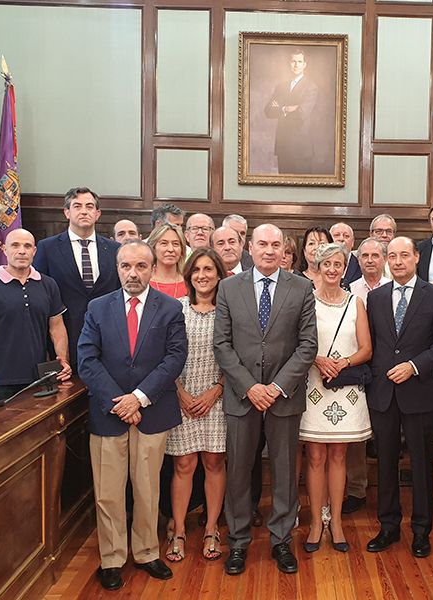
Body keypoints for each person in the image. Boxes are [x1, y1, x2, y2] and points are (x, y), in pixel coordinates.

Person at [78, 240, 188, 591]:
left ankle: (146, 552)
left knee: (147, 489)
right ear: (117, 268)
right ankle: (111, 558)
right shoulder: (97, 308)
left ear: (152, 269)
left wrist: (139, 399)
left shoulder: (170, 308)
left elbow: (174, 359)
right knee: (108, 492)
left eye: (141, 266)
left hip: (151, 413)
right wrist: (120, 402)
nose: (133, 273)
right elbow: (87, 360)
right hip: (109, 413)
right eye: (126, 266)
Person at [213, 224, 317, 576]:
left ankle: (281, 540)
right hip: (242, 397)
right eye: (262, 244)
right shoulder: (228, 287)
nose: (269, 250)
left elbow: (307, 345)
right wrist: (249, 387)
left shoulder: (302, 287)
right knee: (239, 471)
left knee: (286, 472)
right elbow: (222, 345)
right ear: (249, 247)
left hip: (283, 397)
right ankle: (239, 542)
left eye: (276, 245)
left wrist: (276, 387)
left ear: (283, 249)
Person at [366, 237, 433, 559]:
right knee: (385, 463)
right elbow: (373, 344)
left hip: (419, 392)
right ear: (387, 260)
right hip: (384, 393)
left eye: (405, 255)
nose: (399, 261)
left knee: (419, 465)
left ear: (417, 257)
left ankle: (421, 531)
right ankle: (388, 526)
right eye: (393, 256)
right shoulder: (374, 298)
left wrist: (414, 366)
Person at [299, 243, 372, 554]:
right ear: (317, 266)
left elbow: (367, 349)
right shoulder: (306, 302)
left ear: (344, 268)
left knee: (339, 457)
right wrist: (317, 358)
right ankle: (316, 522)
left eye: (338, 264)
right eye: (326, 264)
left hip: (344, 391)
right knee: (315, 458)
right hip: (314, 386)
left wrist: (343, 363)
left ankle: (337, 522)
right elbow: (296, 342)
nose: (331, 269)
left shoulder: (356, 303)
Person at [164, 248, 228, 564]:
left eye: (208, 269)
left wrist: (216, 391)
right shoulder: (175, 310)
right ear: (188, 275)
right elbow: (164, 355)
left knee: (214, 462)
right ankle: (178, 530)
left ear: (219, 274)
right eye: (196, 270)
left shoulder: (229, 312)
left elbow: (239, 358)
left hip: (217, 398)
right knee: (184, 465)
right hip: (181, 398)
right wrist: (179, 392)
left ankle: (212, 528)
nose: (202, 275)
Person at [0, 229, 72, 404]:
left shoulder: (48, 284)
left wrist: (63, 360)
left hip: (41, 379)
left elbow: (57, 327)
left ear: (34, 252)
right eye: (15, 245)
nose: (22, 251)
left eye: (27, 246)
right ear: (4, 249)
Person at [33, 187, 121, 369]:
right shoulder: (47, 248)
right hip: (64, 340)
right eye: (77, 206)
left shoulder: (114, 250)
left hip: (108, 340)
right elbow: (40, 294)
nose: (83, 211)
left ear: (97, 214)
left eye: (89, 207)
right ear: (67, 212)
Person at [343, 237, 390, 514]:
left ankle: (386, 490)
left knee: (385, 433)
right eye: (364, 256)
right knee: (356, 433)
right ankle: (356, 488)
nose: (370, 260)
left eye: (375, 255)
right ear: (357, 261)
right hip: (357, 368)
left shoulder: (392, 288)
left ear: (383, 259)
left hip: (387, 369)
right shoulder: (349, 291)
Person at [264, 48, 319, 175]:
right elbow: (268, 110)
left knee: (302, 191)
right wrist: (287, 108)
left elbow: (301, 113)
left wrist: (280, 107)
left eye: (299, 61)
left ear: (304, 65)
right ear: (289, 64)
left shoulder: (311, 87)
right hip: (283, 146)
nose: (296, 65)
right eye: (293, 61)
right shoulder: (281, 87)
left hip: (301, 148)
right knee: (283, 190)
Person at [148, 223, 188, 299]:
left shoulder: (190, 282)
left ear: (182, 249)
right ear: (153, 248)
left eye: (175, 244)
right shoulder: (144, 282)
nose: (170, 249)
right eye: (164, 243)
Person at [330, 222, 361, 288]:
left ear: (352, 242)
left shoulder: (361, 265)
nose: (341, 239)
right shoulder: (321, 265)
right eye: (336, 235)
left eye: (346, 236)